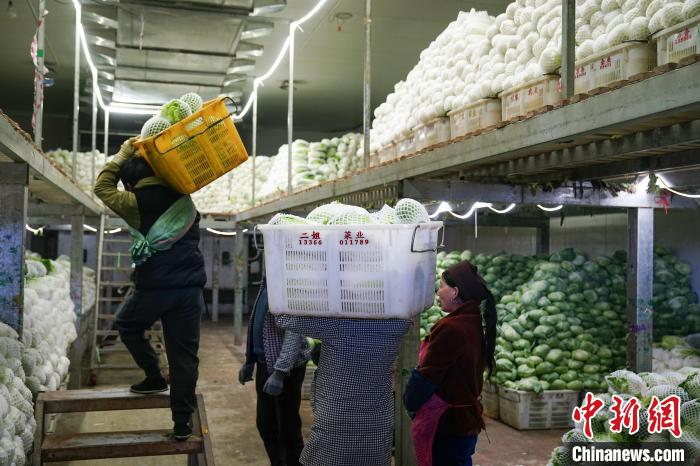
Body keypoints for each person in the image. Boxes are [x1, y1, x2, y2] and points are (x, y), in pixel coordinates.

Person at [94, 138, 207, 440]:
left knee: (127, 325)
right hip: (190, 291)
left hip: (155, 288)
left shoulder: (133, 203)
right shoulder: (185, 198)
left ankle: (154, 375)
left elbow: (102, 188)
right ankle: (182, 423)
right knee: (184, 355)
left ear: (130, 184)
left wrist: (121, 155)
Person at [275, 315, 411, 466]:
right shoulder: (398, 324)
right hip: (377, 420)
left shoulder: (335, 324)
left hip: (337, 419)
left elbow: (283, 319)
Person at [403, 260, 497, 466]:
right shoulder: (471, 322)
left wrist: (410, 403)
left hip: (448, 423)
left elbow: (427, 376)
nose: (438, 292)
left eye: (443, 286)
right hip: (464, 421)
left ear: (455, 292)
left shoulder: (452, 327)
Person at [239, 277, 311, 466]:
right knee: (265, 423)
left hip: (287, 368)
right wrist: (250, 361)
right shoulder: (266, 285)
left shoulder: (291, 286)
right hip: (265, 364)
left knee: (288, 428)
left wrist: (280, 372)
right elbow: (257, 325)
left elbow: (294, 333)